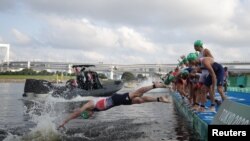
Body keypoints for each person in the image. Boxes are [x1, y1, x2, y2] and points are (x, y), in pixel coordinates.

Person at [58, 82, 171, 129]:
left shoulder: (89, 105)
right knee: (139, 101)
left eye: (87, 115)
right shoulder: (93, 110)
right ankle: (159, 99)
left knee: (137, 93)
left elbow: (76, 113)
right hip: (119, 102)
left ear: (85, 111)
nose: (90, 115)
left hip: (116, 99)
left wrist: (65, 122)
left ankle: (155, 85)